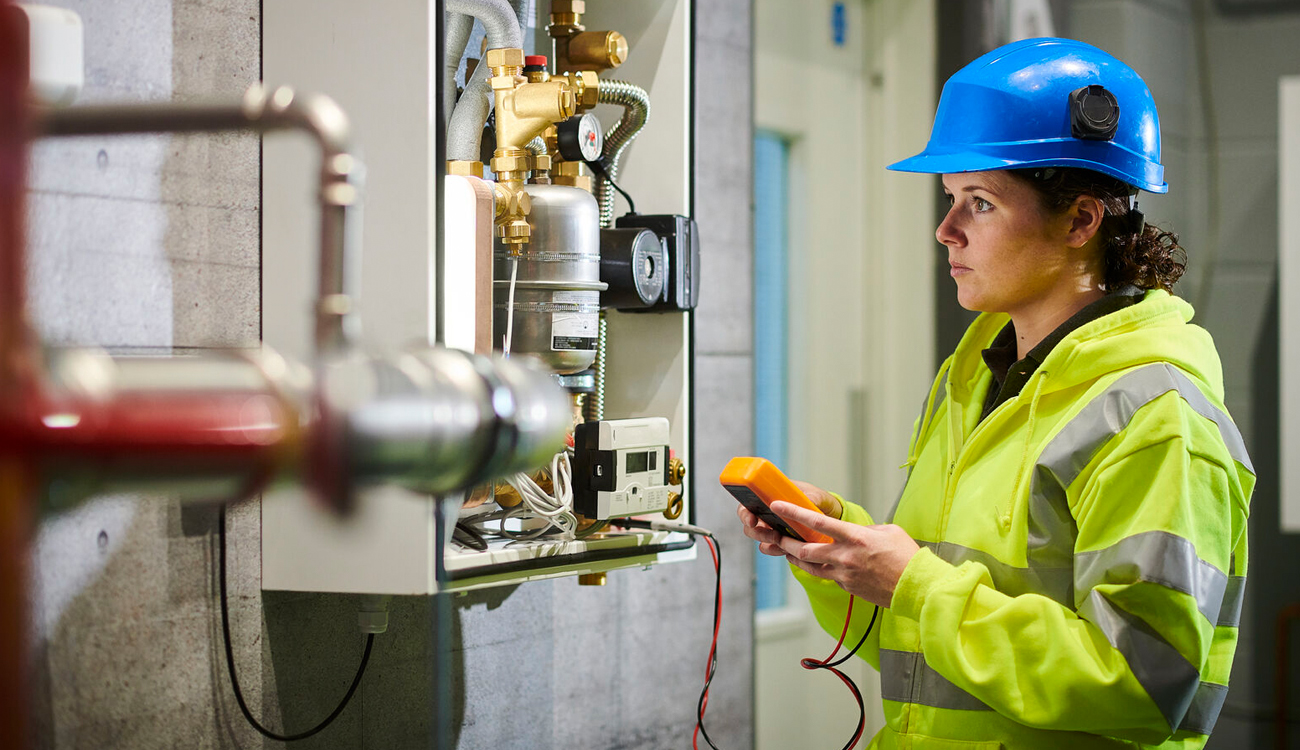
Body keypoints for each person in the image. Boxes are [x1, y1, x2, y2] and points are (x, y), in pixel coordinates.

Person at [737, 37, 1254, 749]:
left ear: (1080, 220)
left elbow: (1137, 685)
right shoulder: (976, 376)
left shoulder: (1156, 418)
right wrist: (844, 552)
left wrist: (913, 582)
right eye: (950, 199)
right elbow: (929, 631)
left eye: (978, 203)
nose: (945, 230)